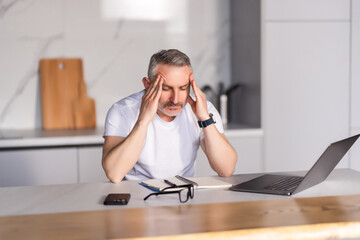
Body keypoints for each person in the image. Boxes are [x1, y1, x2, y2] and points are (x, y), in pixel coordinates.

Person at [102, 49, 237, 182]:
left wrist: (205, 119)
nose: (175, 99)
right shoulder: (122, 111)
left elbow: (226, 169)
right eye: (166, 89)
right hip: (137, 195)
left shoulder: (203, 110)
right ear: (147, 85)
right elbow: (114, 174)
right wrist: (143, 121)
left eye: (183, 88)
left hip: (184, 196)